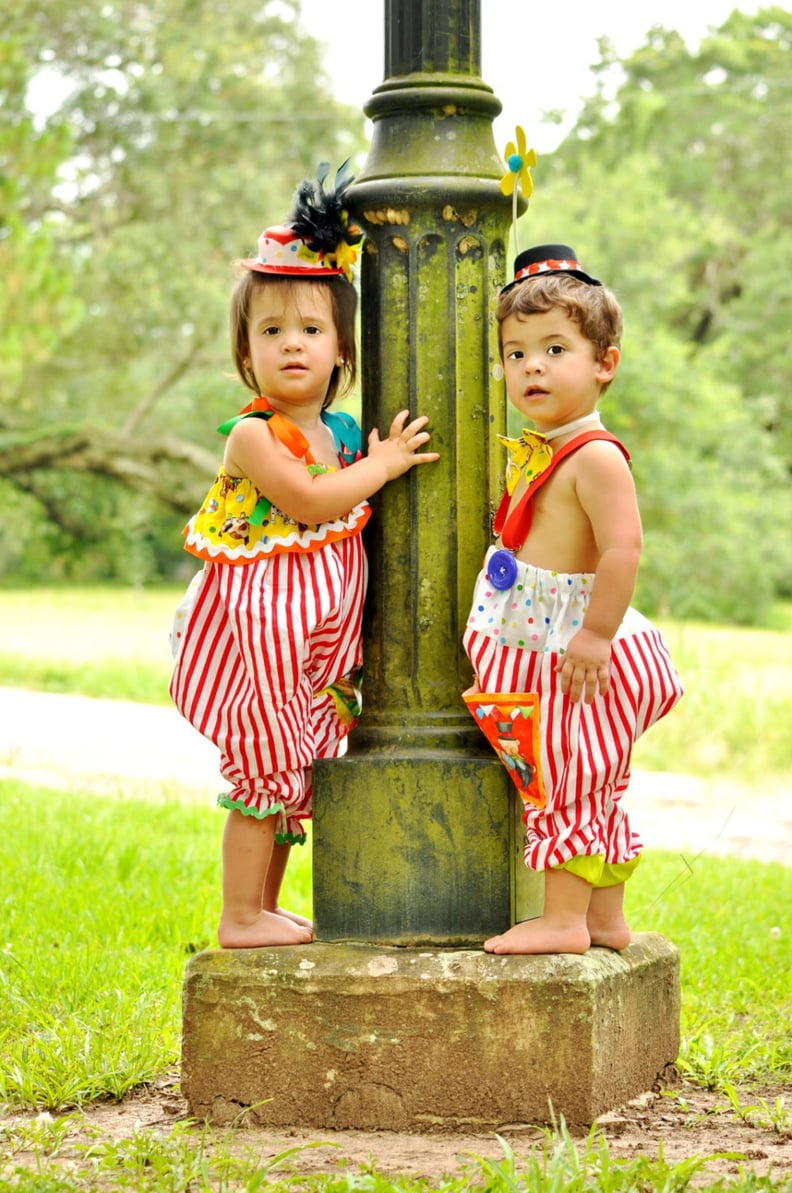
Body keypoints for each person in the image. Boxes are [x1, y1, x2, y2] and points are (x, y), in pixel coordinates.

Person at [169, 165, 439, 949]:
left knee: (295, 778)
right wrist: (383, 468)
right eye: (272, 331)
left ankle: (267, 907)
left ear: (342, 348)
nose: (292, 344)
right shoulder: (254, 434)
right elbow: (315, 502)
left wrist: (370, 460)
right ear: (245, 352)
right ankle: (238, 912)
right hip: (260, 640)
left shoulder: (344, 435)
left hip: (314, 647)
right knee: (262, 774)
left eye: (312, 330)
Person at [463, 243, 683, 956]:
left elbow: (623, 549)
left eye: (555, 348)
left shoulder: (594, 455)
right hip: (538, 633)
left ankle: (562, 922)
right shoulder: (547, 446)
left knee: (564, 773)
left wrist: (596, 634)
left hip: (568, 646)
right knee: (587, 773)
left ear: (603, 364)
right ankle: (605, 920)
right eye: (515, 352)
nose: (531, 365)